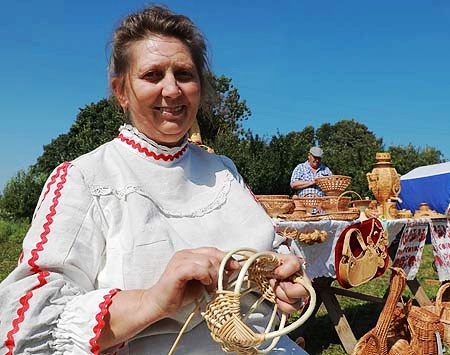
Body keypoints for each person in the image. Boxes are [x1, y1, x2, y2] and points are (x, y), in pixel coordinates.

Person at [0, 5, 309, 355]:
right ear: (121, 91)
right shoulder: (87, 178)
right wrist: (152, 300)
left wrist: (284, 279)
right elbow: (23, 324)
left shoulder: (224, 171)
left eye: (184, 74)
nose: (172, 90)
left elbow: (274, 249)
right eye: (152, 75)